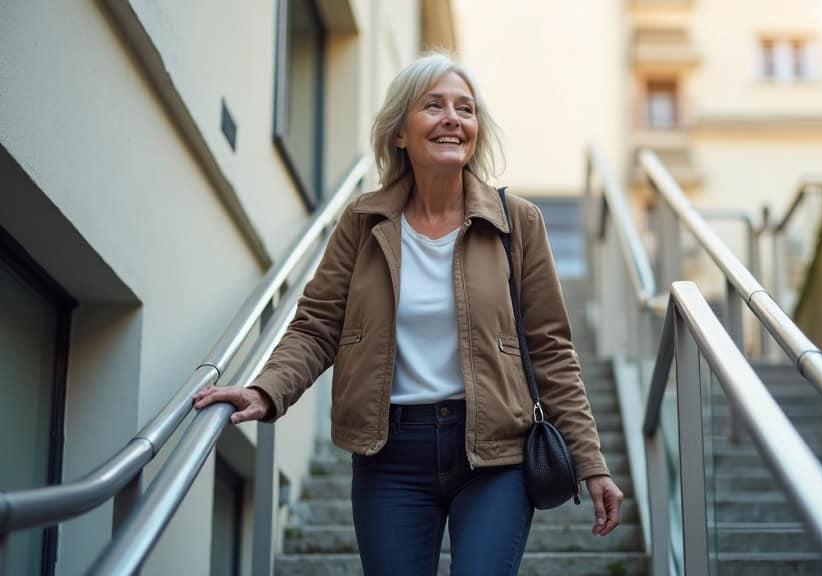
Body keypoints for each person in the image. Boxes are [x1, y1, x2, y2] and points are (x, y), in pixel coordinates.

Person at [193, 51, 623, 575]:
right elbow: (318, 324)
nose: (452, 118)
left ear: (476, 131)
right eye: (434, 105)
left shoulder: (517, 223)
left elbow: (552, 351)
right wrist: (267, 389)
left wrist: (591, 461)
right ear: (400, 132)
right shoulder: (363, 222)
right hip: (388, 454)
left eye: (465, 109)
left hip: (495, 454)